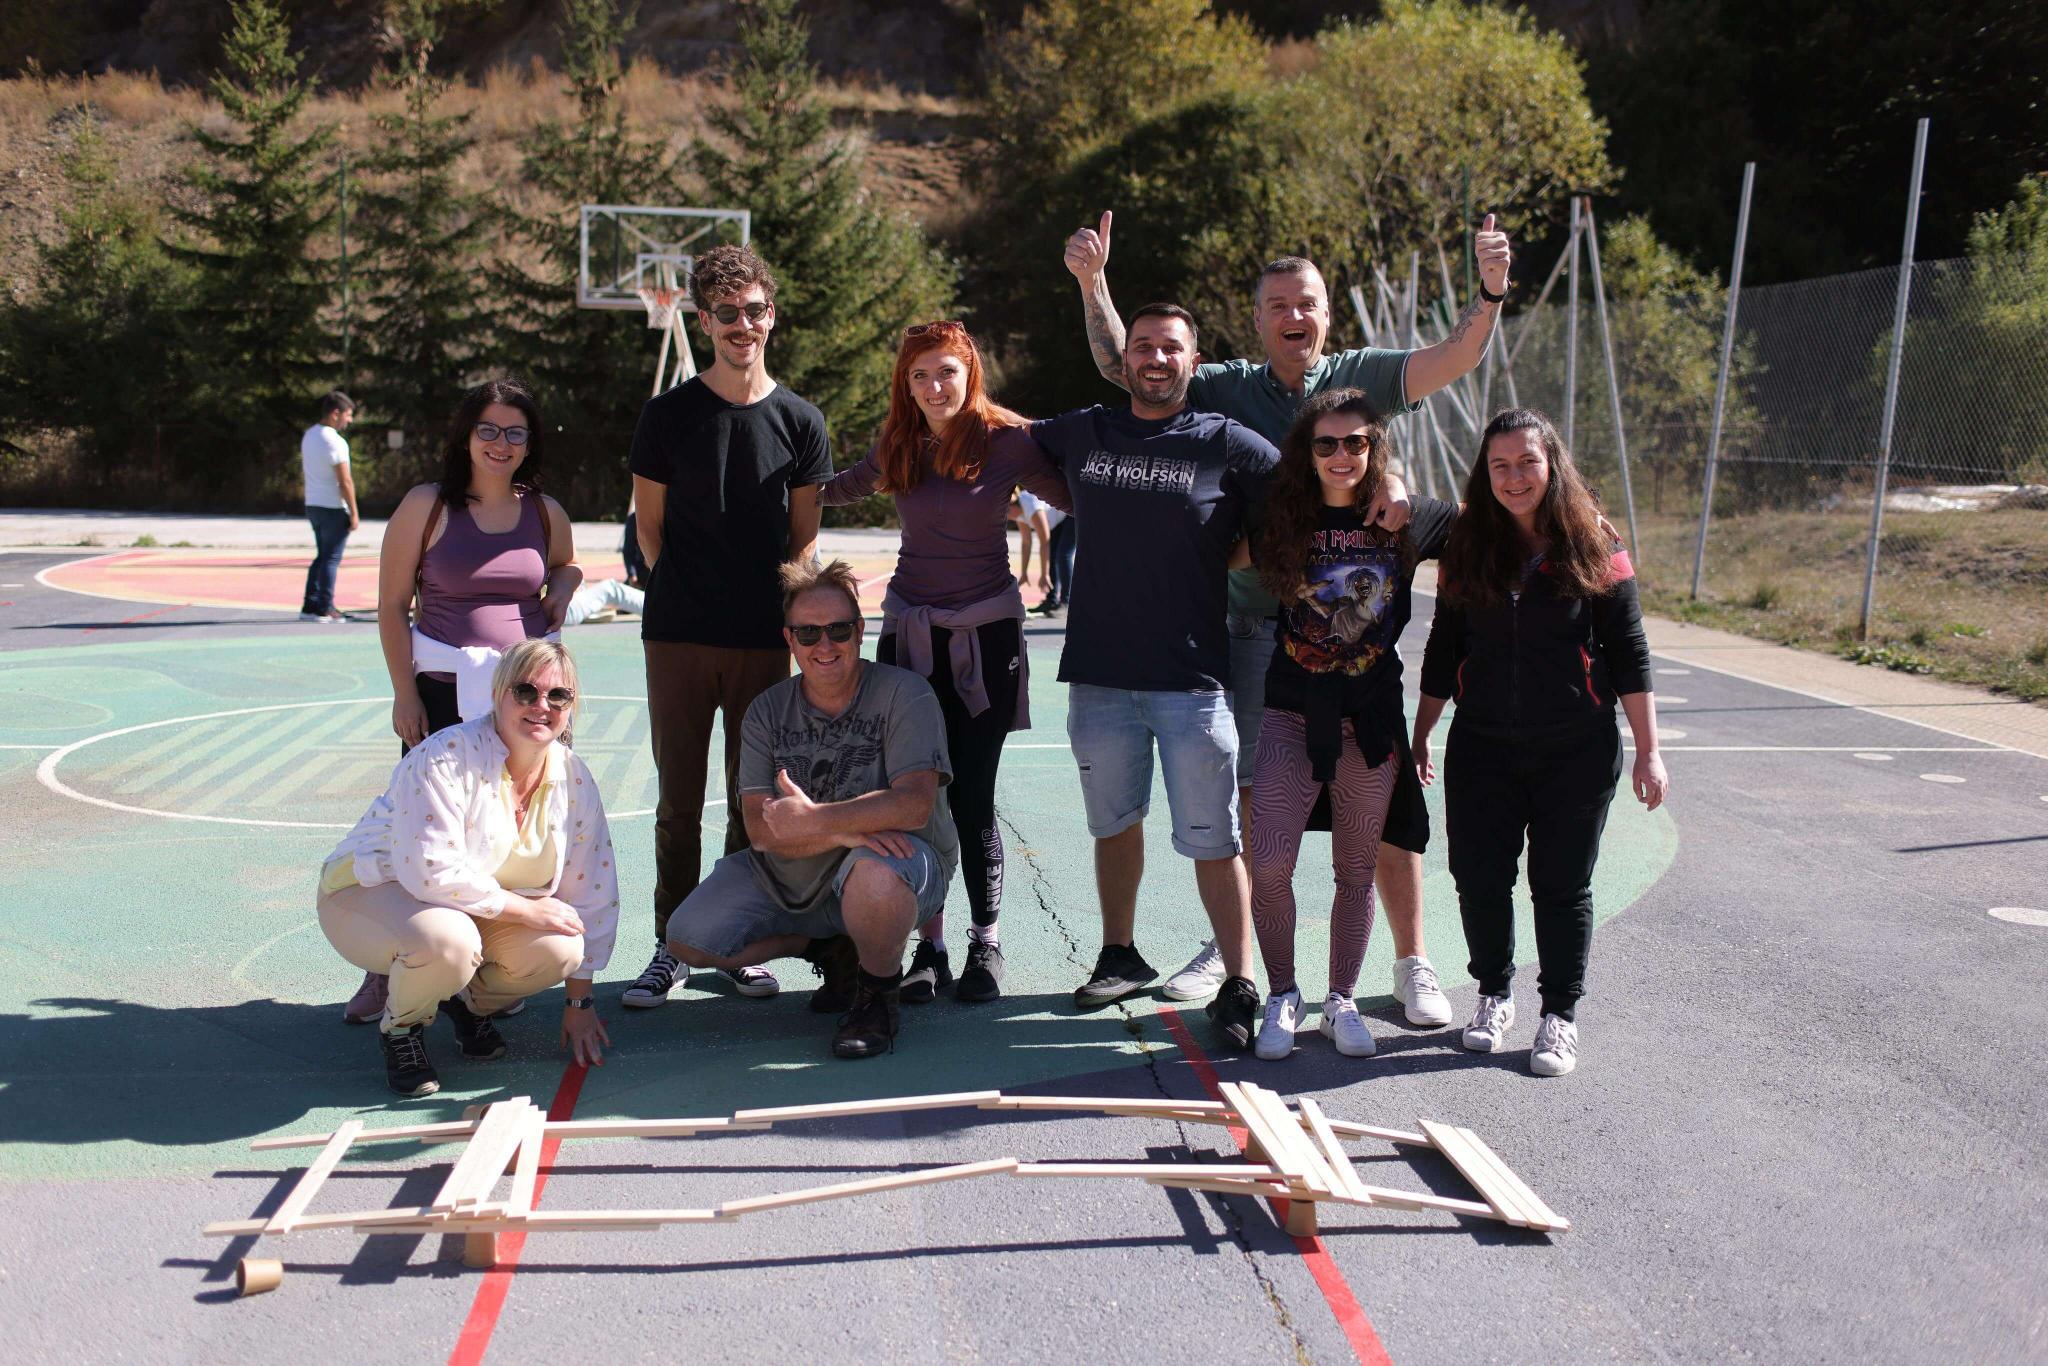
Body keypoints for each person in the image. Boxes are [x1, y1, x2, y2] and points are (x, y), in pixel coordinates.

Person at [1064, 210, 1514, 1026]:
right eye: (1277, 305)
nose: (1293, 315)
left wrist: (1488, 289)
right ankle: (1232, 948)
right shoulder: (1223, 385)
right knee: (1249, 806)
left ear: (1326, 312)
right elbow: (1126, 366)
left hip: (1355, 641)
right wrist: (1095, 284)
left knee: (1380, 808)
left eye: (1305, 302)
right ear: (1257, 317)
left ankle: (1411, 959)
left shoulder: (1364, 377)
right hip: (1252, 633)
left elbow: (1456, 356)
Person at [1023, 302, 1277, 1050]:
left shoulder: (1224, 440)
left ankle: (1238, 980)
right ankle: (1120, 955)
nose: (1156, 359)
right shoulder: (1085, 431)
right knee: (1113, 825)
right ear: (1124, 359)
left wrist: (1230, 551)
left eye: (1171, 348)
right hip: (1100, 676)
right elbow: (1008, 439)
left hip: (1192, 680)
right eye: (1143, 346)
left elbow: (1300, 496)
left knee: (1214, 837)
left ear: (1194, 361)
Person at [815, 321, 1070, 1004]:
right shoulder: (898, 441)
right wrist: (781, 482)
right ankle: (930, 947)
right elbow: (843, 486)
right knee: (912, 796)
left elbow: (1078, 495)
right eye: (920, 375)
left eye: (947, 372)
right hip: (908, 637)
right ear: (906, 383)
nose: (934, 387)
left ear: (970, 373)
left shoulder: (1007, 440)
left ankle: (986, 942)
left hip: (985, 640)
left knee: (972, 796)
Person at [1412, 408, 1668, 1078]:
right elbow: (1445, 646)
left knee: (1560, 885)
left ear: (1552, 464)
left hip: (1576, 747)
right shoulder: (1468, 545)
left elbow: (1630, 651)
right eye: (1500, 465)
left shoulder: (1595, 541)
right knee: (1479, 877)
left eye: (1528, 461)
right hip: (1483, 745)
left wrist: (1649, 750)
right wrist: (1423, 731)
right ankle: (1494, 995)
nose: (1515, 477)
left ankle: (1559, 1015)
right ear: (1485, 472)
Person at [624, 243, 832, 1010]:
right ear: (704, 321)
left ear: (771, 315)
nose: (742, 325)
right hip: (678, 636)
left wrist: (781, 618)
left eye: (754, 310)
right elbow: (650, 532)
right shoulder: (667, 416)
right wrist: (691, 593)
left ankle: (734, 942)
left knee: (754, 803)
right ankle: (670, 944)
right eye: (725, 314)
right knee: (678, 803)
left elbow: (802, 543)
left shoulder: (802, 421)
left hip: (760, 641)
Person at [343, 379, 582, 1027]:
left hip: (527, 703)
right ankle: (389, 965)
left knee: (513, 830)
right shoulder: (427, 506)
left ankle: (485, 967)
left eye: (515, 432)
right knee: (422, 829)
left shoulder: (544, 512)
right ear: (466, 435)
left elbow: (566, 565)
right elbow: (392, 606)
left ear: (529, 443)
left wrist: (563, 585)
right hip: (441, 693)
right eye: (489, 430)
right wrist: (403, 692)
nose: (501, 443)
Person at [662, 560, 959, 1059]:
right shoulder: (766, 711)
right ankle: (827, 949)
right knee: (688, 938)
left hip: (894, 865)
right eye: (808, 633)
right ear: (790, 639)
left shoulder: (905, 694)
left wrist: (814, 821)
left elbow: (912, 805)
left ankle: (877, 998)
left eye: (838, 629)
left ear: (860, 631)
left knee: (875, 877)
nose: (825, 645)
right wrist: (845, 831)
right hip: (792, 875)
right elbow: (761, 831)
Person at [1242, 390, 1460, 1061]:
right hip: (1290, 712)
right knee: (1269, 862)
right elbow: (1200, 538)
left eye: (1357, 442)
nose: (1342, 455)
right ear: (1307, 452)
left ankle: (1340, 1000)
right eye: (1326, 443)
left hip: (1368, 720)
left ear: (1375, 448)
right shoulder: (1280, 514)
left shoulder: (1408, 519)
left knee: (1356, 872)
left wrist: (1399, 489)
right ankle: (1283, 994)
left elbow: (1490, 526)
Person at [319, 639, 619, 1096]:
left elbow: (591, 888)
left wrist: (580, 1002)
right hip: (370, 887)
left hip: (470, 904)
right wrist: (526, 910)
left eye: (558, 695)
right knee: (448, 942)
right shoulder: (445, 756)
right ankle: (402, 1030)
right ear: (497, 693)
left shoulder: (574, 776)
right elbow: (429, 871)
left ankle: (466, 1003)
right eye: (525, 691)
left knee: (561, 948)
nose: (542, 706)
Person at [299, 390, 359, 623]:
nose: (349, 420)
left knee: (322, 556)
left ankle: (310, 605)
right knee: (331, 559)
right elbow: (345, 481)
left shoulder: (309, 435)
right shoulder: (335, 441)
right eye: (348, 414)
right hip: (333, 506)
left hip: (313, 504)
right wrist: (354, 511)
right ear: (335, 413)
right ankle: (325, 607)